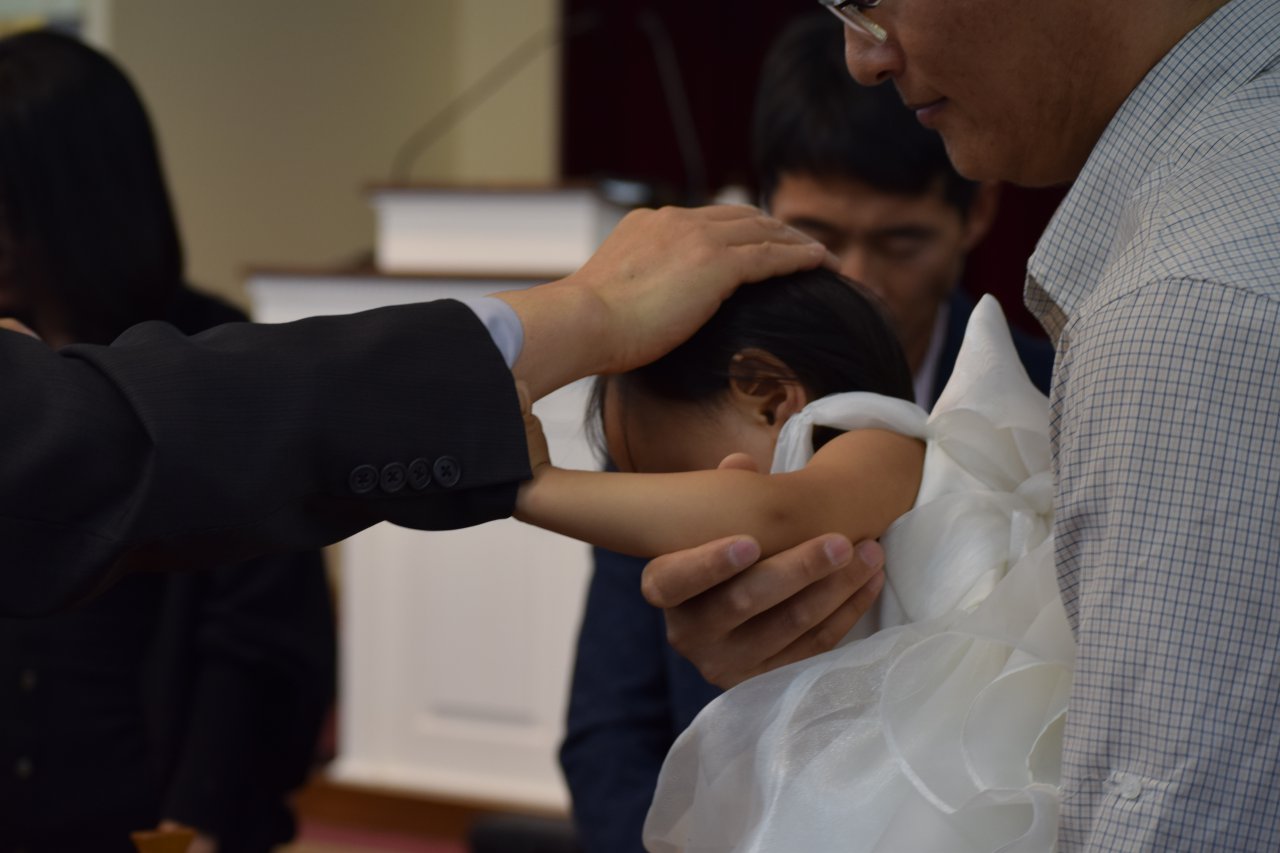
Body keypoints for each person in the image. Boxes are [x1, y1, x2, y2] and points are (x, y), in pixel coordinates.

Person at [645, 0, 1280, 846]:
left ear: (969, 218)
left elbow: (1175, 817)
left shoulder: (1181, 310)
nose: (863, 56)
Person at [559, 15, 1054, 850]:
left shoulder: (1057, 396)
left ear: (976, 213)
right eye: (819, 237)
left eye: (900, 241)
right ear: (762, 209)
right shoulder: (678, 420)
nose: (857, 279)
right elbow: (609, 735)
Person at [515, 267, 1068, 849]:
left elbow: (770, 513)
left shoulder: (882, 445)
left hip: (968, 779)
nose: (674, 531)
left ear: (770, 398)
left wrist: (533, 488)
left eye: (676, 483)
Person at [0, 31, 334, 852]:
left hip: (152, 812)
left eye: (11, 210)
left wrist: (199, 819)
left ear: (80, 201)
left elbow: (258, 630)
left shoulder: (211, 354)